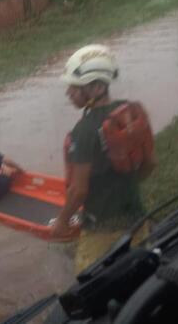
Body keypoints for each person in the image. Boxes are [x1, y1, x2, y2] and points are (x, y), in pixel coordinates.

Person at [50, 44, 157, 272]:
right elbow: (150, 164)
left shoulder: (84, 130)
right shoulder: (130, 112)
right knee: (139, 273)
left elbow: (78, 191)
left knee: (89, 286)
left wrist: (61, 221)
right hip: (137, 218)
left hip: (100, 228)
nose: (69, 92)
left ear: (97, 87)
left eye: (75, 87)